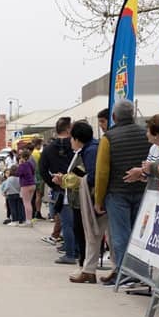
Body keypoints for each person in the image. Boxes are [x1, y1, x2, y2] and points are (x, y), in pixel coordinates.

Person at [94, 99, 151, 285]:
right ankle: (140, 273)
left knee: (120, 235)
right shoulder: (145, 134)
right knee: (139, 235)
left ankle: (123, 272)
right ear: (133, 114)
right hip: (143, 191)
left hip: (117, 192)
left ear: (113, 116)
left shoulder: (108, 138)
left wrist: (98, 199)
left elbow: (102, 172)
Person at [67, 121, 104, 283]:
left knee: (94, 235)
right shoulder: (93, 147)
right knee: (95, 235)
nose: (70, 141)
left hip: (98, 199)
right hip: (100, 198)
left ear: (77, 138)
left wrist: (76, 180)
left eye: (72, 138)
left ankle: (89, 270)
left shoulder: (90, 151)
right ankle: (89, 270)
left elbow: (93, 176)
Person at [39, 117, 74, 254]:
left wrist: (52, 183)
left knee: (65, 221)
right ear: (68, 129)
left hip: (58, 188)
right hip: (76, 186)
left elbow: (42, 170)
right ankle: (74, 249)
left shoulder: (48, 149)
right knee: (76, 221)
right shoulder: (74, 145)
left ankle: (68, 248)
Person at [15, 148, 36, 227]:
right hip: (32, 184)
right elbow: (33, 171)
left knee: (26, 203)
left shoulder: (22, 165)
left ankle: (28, 221)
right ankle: (30, 220)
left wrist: (19, 164)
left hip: (25, 185)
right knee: (29, 203)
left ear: (22, 156)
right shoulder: (30, 164)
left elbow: (17, 173)